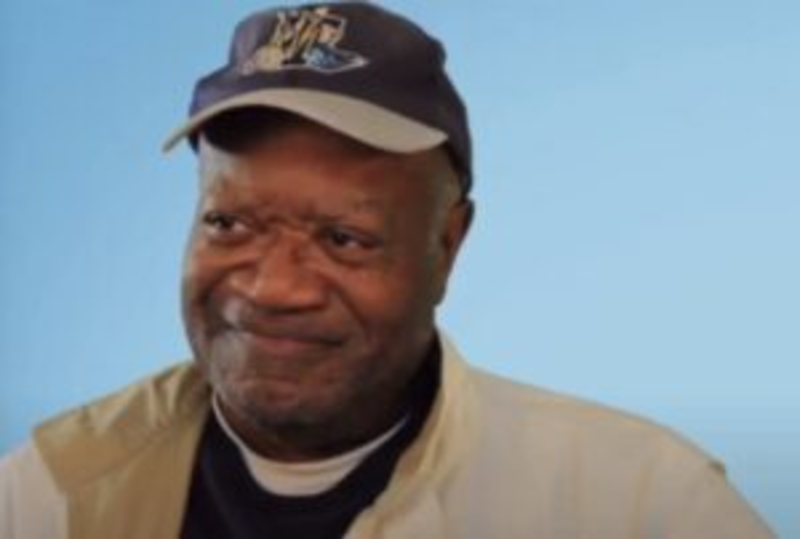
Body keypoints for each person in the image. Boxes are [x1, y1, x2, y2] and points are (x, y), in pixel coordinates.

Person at [0, 2, 775, 538]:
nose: (273, 287)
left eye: (344, 238)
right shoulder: (49, 494)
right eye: (229, 223)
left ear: (449, 245)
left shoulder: (637, 504)